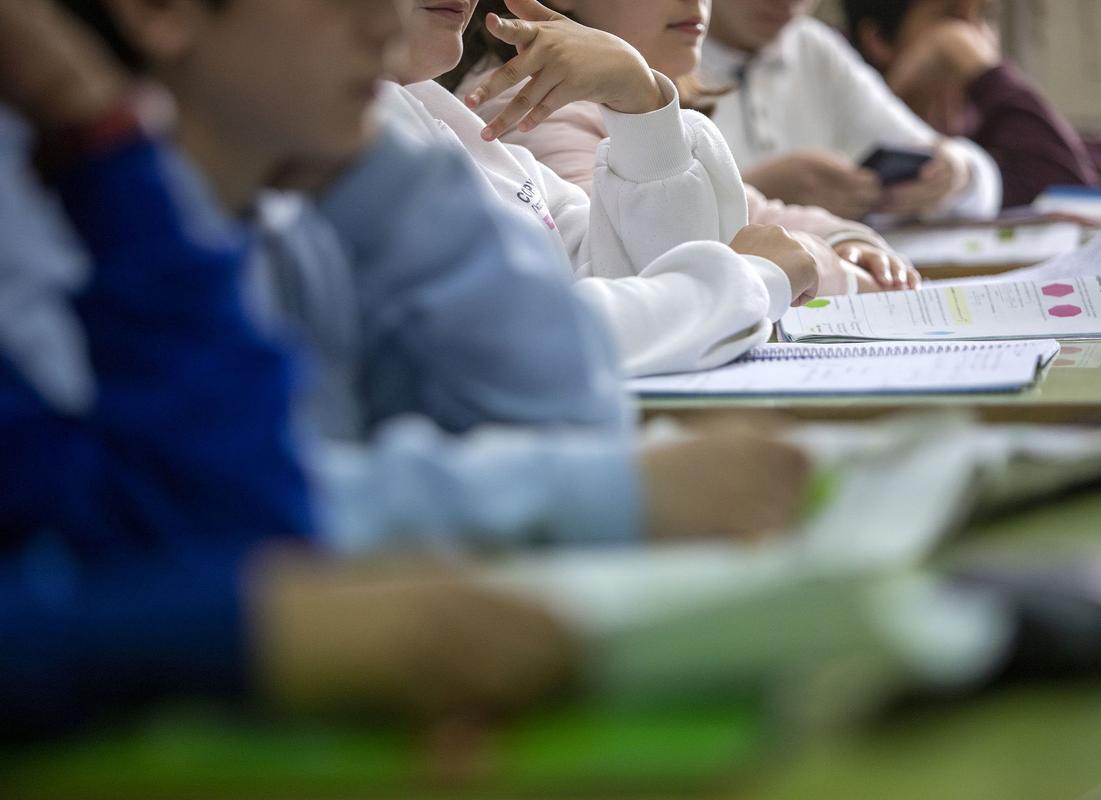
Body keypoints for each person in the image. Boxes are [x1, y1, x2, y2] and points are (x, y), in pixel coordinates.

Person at [0, 0, 575, 738]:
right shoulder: (52, 230)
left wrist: (105, 143)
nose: (389, 26)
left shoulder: (270, 223)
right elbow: (239, 559)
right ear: (158, 12)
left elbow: (252, 537)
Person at [51, 0, 814, 554]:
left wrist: (645, 103)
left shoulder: (315, 188)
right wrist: (741, 284)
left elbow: (567, 402)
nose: (382, 22)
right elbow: (218, 519)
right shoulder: (71, 231)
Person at [453, 0, 921, 294]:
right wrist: (824, 265)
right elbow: (672, 271)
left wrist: (846, 240)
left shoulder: (603, 105)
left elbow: (746, 215)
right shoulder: (529, 110)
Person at [700, 0, 1001, 221]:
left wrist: (956, 173)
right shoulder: (662, 56)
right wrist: (752, 194)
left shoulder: (812, 46)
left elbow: (978, 178)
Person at [843, 0, 1101, 208]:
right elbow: (1063, 185)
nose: (976, 40)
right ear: (878, 39)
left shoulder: (995, 127)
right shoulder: (847, 134)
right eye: (950, 17)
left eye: (986, 14)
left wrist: (985, 74)